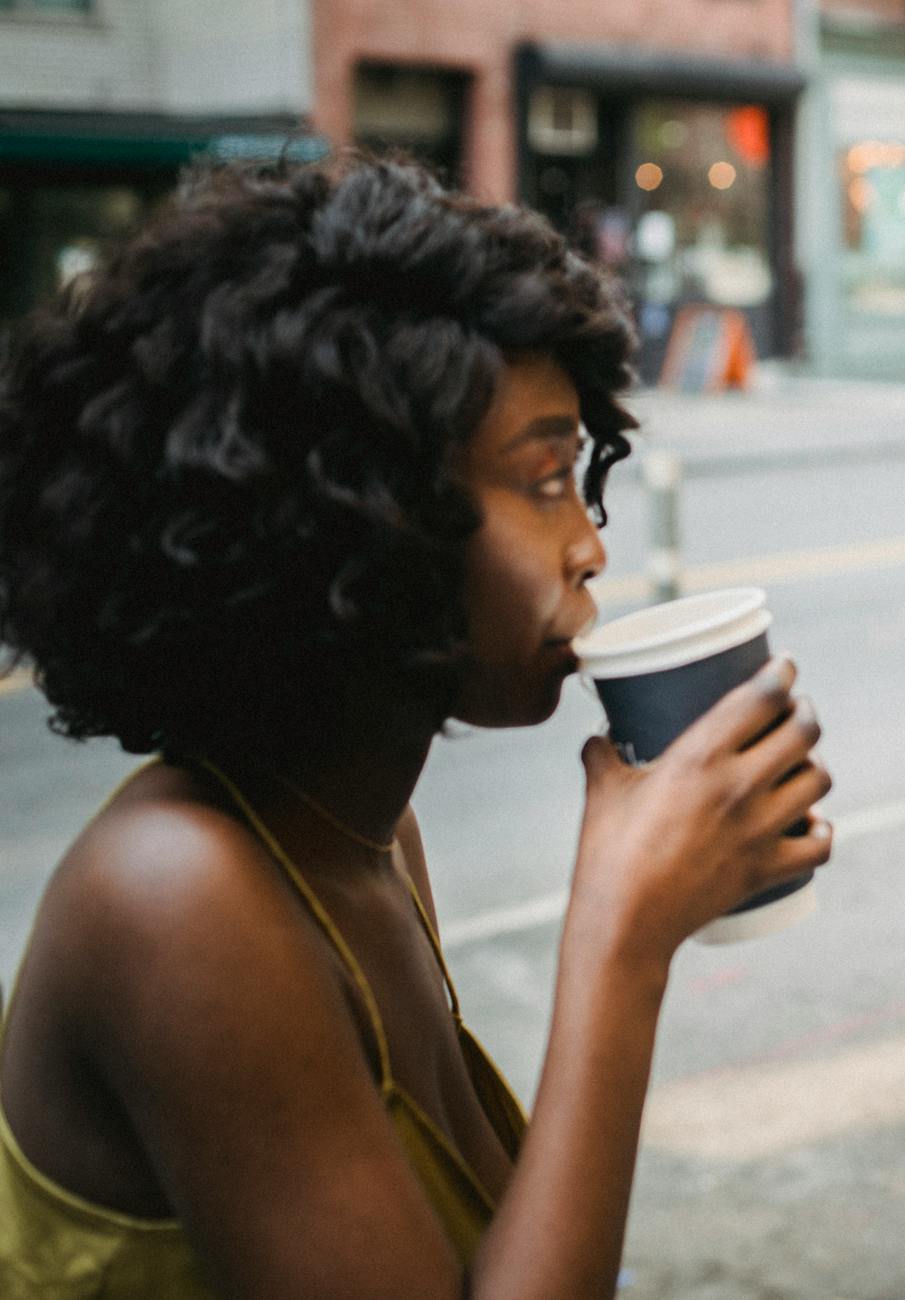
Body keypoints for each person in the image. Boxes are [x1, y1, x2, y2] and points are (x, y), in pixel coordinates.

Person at [0, 155, 832, 1297]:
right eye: (543, 480)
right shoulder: (180, 896)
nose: (589, 543)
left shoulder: (366, 831)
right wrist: (617, 944)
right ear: (352, 515)